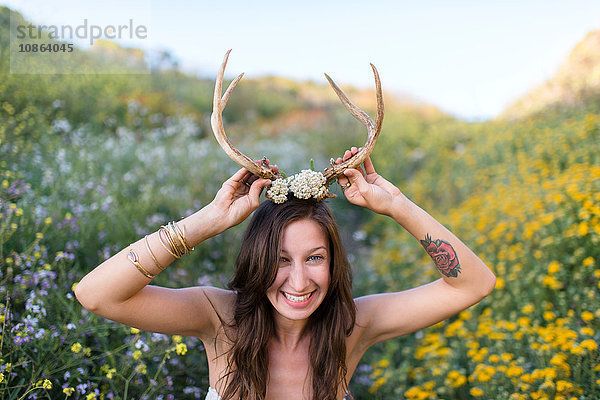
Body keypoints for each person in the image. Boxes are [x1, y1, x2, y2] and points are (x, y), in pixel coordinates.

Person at [74, 147, 496, 400]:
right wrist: (208, 220)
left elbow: (475, 284)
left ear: (334, 262)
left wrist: (396, 205)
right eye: (280, 259)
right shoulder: (220, 318)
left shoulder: (354, 326)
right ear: (258, 261)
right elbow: (97, 295)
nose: (298, 282)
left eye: (314, 258)